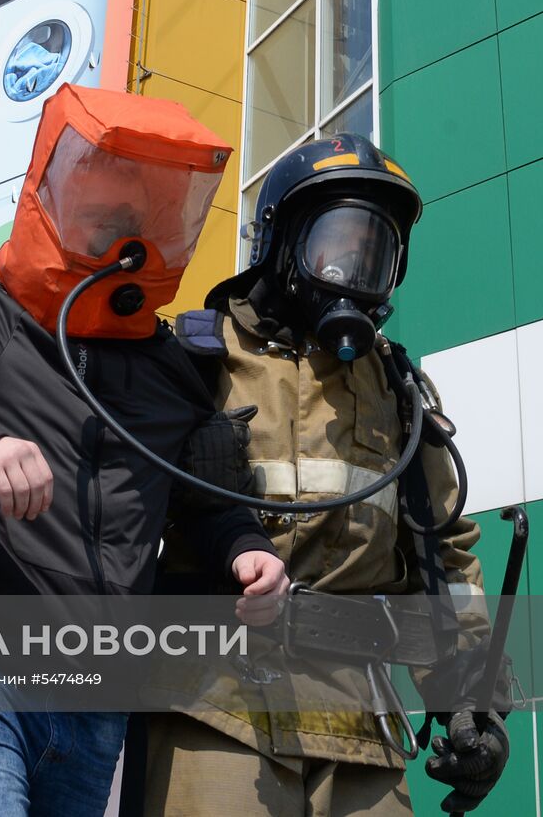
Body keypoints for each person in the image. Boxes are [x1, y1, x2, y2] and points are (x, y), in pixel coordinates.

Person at [0, 85, 289, 816]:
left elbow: (194, 500)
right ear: (57, 206)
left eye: (136, 222)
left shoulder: (173, 370)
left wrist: (245, 548)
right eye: (99, 219)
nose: (119, 243)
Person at [145, 134, 508, 816]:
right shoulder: (193, 358)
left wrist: (470, 703)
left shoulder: (400, 391)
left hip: (359, 722)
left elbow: (445, 559)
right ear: (281, 245)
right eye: (337, 242)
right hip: (212, 703)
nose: (353, 268)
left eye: (375, 253)